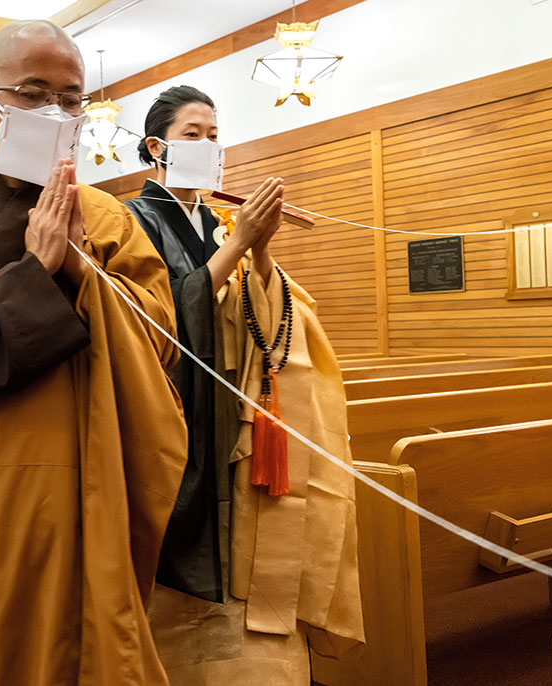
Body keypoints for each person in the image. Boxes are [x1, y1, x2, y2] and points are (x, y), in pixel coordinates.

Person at [0, 20, 188, 686]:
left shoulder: (107, 216)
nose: (55, 111)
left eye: (71, 99)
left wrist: (79, 272)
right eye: (33, 92)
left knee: (84, 640)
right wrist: (35, 271)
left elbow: (160, 337)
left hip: (89, 469)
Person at [128, 85, 364, 685]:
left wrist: (258, 252)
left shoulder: (216, 222)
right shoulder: (131, 220)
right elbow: (151, 317)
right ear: (156, 147)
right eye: (192, 135)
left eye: (214, 135)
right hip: (172, 408)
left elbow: (267, 312)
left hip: (232, 402)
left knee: (244, 547)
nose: (209, 145)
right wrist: (238, 244)